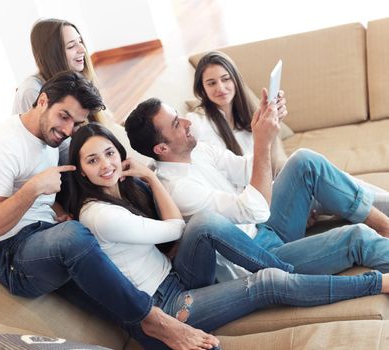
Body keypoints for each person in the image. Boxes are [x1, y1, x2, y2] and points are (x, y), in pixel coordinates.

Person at [67, 122, 389, 350]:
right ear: (81, 171)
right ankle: (353, 280)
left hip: (184, 274)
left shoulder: (126, 191)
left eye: (110, 154)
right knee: (271, 278)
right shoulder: (101, 215)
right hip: (169, 303)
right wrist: (155, 179)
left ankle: (291, 270)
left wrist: (150, 176)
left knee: (209, 221)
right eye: (93, 160)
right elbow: (177, 227)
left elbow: (252, 178)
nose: (106, 164)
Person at [0, 71, 220, 350]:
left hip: (47, 238)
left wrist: (59, 209)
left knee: (111, 287)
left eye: (75, 123)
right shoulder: (1, 147)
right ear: (42, 101)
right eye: (63, 116)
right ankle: (153, 319)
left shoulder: (49, 138)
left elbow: (44, 198)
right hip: (12, 255)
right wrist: (32, 189)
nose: (66, 130)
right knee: (75, 237)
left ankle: (161, 337)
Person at [125, 96, 389, 279]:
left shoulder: (198, 150)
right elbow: (255, 210)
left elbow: (249, 170)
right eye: (176, 124)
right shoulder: (179, 190)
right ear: (161, 149)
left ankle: (384, 225)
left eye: (180, 117)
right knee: (356, 238)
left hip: (265, 228)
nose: (187, 123)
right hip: (257, 260)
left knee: (305, 161)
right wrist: (262, 142)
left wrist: (265, 128)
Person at [188, 50, 389, 216]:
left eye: (225, 79)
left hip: (277, 188)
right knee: (331, 183)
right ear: (202, 90)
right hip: (258, 205)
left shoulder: (251, 117)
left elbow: (276, 165)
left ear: (236, 80)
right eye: (211, 83)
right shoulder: (199, 123)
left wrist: (273, 129)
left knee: (344, 182)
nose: (221, 88)